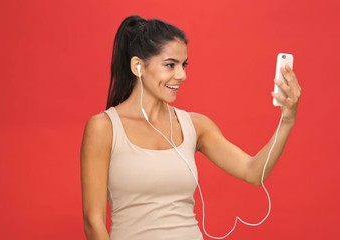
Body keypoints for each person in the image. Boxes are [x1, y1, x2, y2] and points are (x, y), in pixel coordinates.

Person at [80, 15, 301, 240]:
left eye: (183, 65)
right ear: (138, 66)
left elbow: (254, 172)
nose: (181, 75)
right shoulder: (104, 128)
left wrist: (287, 120)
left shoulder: (195, 125)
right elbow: (93, 222)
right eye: (170, 65)